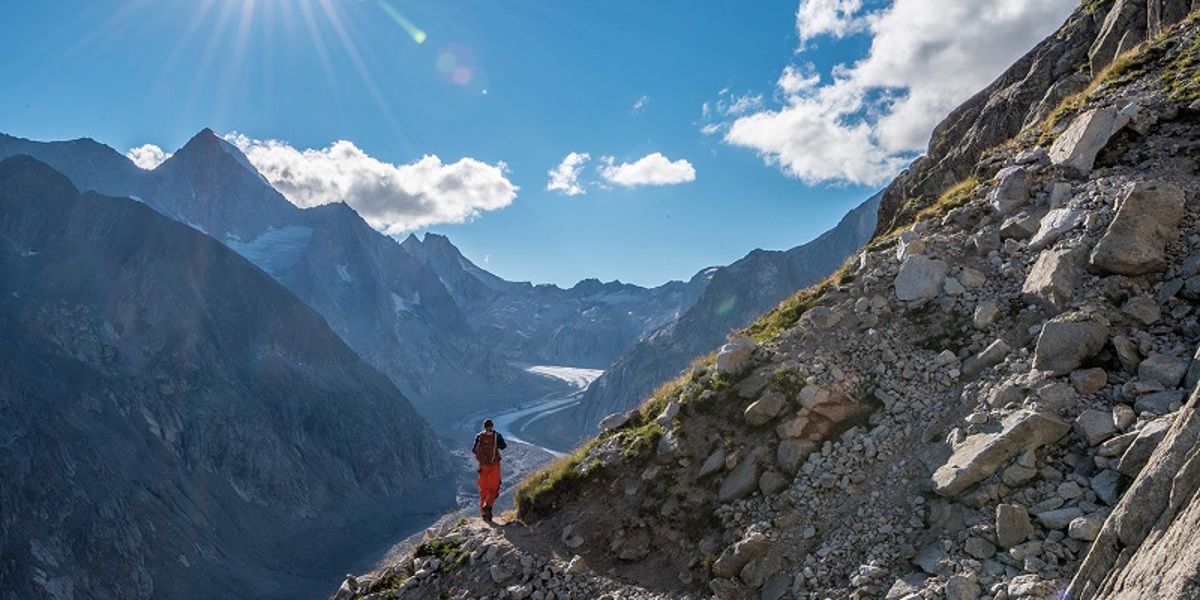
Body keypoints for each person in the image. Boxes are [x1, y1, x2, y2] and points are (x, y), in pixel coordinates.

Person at [472, 418, 507, 522]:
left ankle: (483, 513)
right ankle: (488, 505)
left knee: (483, 489)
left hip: (482, 466)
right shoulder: (497, 436)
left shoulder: (479, 436)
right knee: (494, 488)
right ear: (492, 426)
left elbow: (474, 450)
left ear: (484, 426)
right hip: (494, 464)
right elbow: (503, 446)